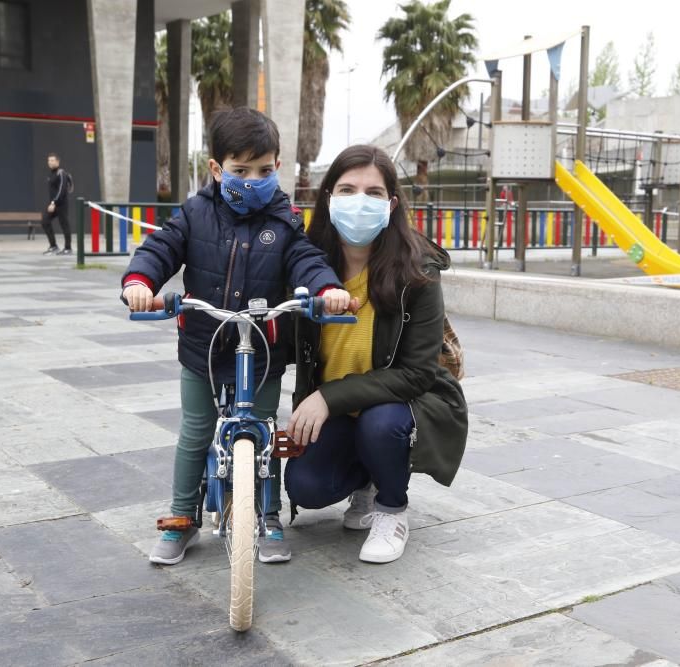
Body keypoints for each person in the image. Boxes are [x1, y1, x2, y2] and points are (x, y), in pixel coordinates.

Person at [121, 107, 352, 566]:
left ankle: (267, 516)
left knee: (264, 431)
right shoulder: (195, 213)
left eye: (264, 170)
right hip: (203, 347)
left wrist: (327, 291)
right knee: (196, 432)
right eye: (240, 170)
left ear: (278, 166)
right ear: (216, 168)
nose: (253, 179)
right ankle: (182, 517)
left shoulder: (285, 220)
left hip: (263, 348)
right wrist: (141, 282)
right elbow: (161, 247)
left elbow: (306, 259)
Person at [284, 144, 468, 564]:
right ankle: (367, 477)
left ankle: (391, 506)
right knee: (305, 487)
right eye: (347, 190)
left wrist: (327, 397)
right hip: (340, 412)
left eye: (373, 192)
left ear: (392, 204)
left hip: (401, 404)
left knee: (381, 425)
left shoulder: (417, 271)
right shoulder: (308, 266)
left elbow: (417, 374)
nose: (359, 202)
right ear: (328, 198)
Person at [41, 153, 73, 255]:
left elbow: (62, 190)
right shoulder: (50, 174)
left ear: (57, 162)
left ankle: (68, 248)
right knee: (45, 221)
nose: (50, 162)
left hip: (61, 204)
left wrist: (54, 202)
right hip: (53, 204)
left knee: (64, 225)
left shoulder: (61, 173)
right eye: (48, 160)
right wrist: (52, 203)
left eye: (52, 160)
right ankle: (53, 246)